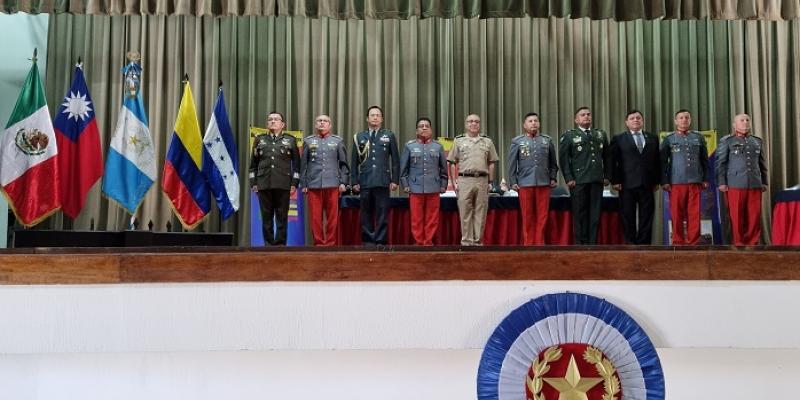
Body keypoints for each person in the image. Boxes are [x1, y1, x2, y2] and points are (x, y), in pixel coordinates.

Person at [558, 106, 609, 245]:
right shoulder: (569, 136)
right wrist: (569, 178)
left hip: (597, 180)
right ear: (576, 119)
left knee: (595, 214)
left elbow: (607, 157)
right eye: (582, 115)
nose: (586, 117)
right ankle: (580, 245)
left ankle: (592, 244)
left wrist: (607, 176)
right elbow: (564, 159)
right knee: (580, 214)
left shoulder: (600, 134)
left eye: (588, 114)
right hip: (578, 181)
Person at [609, 110, 660, 245]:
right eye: (632, 118)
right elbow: (612, 161)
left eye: (638, 118)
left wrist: (657, 180)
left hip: (647, 183)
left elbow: (657, 161)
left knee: (647, 217)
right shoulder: (619, 139)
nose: (636, 120)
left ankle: (644, 244)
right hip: (626, 184)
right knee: (627, 216)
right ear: (627, 122)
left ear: (642, 121)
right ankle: (630, 244)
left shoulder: (653, 138)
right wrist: (614, 180)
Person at [249, 111, 300, 246]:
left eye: (276, 119)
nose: (273, 121)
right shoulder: (259, 140)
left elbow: (297, 165)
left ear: (282, 124)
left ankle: (280, 244)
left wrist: (294, 183)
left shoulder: (290, 140)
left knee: (282, 217)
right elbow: (253, 165)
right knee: (266, 217)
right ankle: (268, 244)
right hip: (263, 183)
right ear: (267, 123)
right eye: (270, 119)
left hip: (283, 184)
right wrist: (253, 182)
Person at [350, 106, 400, 245]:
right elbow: (354, 162)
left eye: (378, 115)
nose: (375, 117)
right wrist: (354, 181)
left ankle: (381, 240)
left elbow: (395, 160)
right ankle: (368, 241)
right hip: (365, 181)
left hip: (382, 181)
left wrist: (395, 180)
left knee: (382, 214)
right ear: (367, 118)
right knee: (365, 213)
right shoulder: (359, 137)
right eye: (372, 115)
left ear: (382, 119)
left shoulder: (388, 135)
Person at [447, 114, 499, 246]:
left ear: (480, 124)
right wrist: (454, 182)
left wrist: (491, 182)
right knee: (465, 212)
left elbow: (492, 162)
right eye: (470, 121)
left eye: (476, 121)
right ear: (466, 124)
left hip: (482, 180)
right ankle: (466, 242)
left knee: (480, 213)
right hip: (465, 180)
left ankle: (477, 242)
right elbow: (452, 162)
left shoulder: (487, 141)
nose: (473, 124)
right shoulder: (459, 141)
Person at [507, 112, 558, 245]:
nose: (533, 123)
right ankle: (529, 244)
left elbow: (553, 163)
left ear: (539, 124)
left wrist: (553, 178)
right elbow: (512, 163)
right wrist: (513, 181)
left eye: (536, 120)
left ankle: (539, 243)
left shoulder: (547, 140)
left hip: (543, 182)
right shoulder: (517, 141)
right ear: (525, 125)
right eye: (530, 121)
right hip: (525, 183)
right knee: (527, 216)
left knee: (543, 216)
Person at [717, 113, 768, 245]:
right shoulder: (727, 141)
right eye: (741, 120)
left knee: (754, 216)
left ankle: (753, 243)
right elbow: (721, 163)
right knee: (737, 216)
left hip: (755, 184)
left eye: (747, 120)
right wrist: (722, 182)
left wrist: (764, 181)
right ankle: (739, 243)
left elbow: (762, 164)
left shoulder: (757, 141)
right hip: (735, 184)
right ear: (735, 125)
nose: (745, 122)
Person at [660, 109, 709, 245]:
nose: (684, 120)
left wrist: (705, 178)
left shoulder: (698, 138)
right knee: (676, 213)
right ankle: (678, 241)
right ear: (676, 121)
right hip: (676, 181)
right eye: (681, 118)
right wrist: (664, 181)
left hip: (695, 180)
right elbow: (663, 162)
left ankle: (694, 241)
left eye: (687, 117)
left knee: (694, 213)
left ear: (690, 120)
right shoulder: (669, 139)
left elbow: (704, 160)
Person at [300, 114, 349, 246]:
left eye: (325, 121)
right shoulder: (308, 141)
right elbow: (303, 165)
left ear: (330, 125)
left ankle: (331, 243)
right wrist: (303, 184)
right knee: (315, 218)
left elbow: (344, 164)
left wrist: (343, 182)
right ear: (316, 124)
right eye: (319, 121)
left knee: (332, 218)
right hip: (314, 184)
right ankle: (319, 243)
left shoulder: (337, 141)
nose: (322, 123)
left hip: (333, 184)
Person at [399, 117, 448, 246]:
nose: (424, 128)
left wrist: (443, 185)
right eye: (421, 126)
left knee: (432, 217)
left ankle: (428, 241)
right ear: (417, 130)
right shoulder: (410, 146)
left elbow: (443, 169)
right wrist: (405, 185)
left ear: (431, 129)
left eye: (427, 126)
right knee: (416, 217)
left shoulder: (438, 147)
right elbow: (403, 168)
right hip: (415, 187)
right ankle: (419, 241)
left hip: (434, 186)